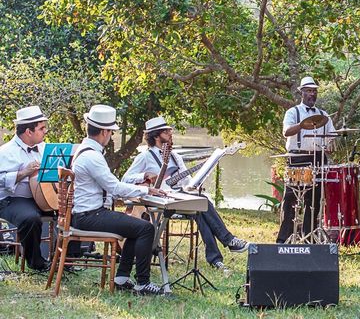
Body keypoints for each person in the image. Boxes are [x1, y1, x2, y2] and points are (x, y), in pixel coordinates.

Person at [123, 116, 248, 274]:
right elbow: (125, 179)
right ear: (156, 135)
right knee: (201, 203)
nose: (170, 133)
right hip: (159, 200)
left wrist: (196, 181)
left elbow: (187, 182)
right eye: (166, 131)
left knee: (200, 206)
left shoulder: (175, 156)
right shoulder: (144, 157)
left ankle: (216, 259)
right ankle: (227, 241)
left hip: (179, 197)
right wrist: (145, 176)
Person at [72, 104, 167, 295]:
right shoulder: (92, 156)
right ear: (104, 132)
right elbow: (114, 187)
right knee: (146, 228)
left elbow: (112, 188)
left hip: (87, 213)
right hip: (89, 215)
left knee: (135, 226)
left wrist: (139, 187)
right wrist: (147, 189)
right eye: (111, 132)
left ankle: (122, 277)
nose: (112, 136)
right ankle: (143, 283)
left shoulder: (85, 150)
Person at [276, 76, 336, 244]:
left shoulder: (324, 115)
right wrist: (302, 125)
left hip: (318, 158)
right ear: (301, 93)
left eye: (314, 91)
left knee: (314, 200)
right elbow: (286, 132)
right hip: (298, 158)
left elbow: (331, 137)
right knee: (291, 199)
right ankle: (284, 238)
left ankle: (309, 236)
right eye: (309, 91)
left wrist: (331, 144)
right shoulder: (293, 112)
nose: (312, 94)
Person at [0, 106, 51, 271]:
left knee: (73, 211)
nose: (45, 131)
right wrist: (24, 172)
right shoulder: (5, 152)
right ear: (29, 131)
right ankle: (36, 262)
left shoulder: (44, 148)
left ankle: (67, 258)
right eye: (41, 128)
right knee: (30, 218)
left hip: (43, 197)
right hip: (12, 199)